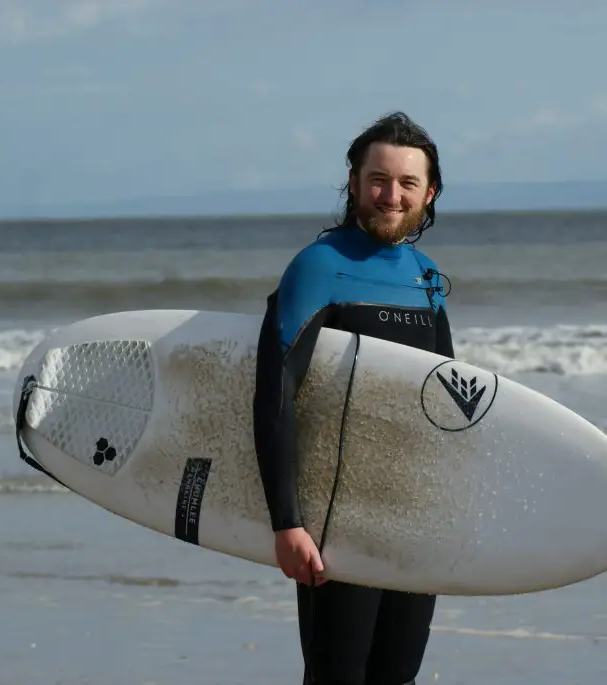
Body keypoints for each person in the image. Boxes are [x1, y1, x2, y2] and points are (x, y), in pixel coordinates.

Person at [252, 111, 455, 685]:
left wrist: (449, 513)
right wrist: (287, 522)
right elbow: (274, 395)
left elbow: (444, 404)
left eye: (407, 183)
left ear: (428, 193)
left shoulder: (427, 278)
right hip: (338, 516)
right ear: (353, 183)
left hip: (413, 515)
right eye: (378, 180)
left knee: (398, 677)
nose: (392, 195)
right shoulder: (320, 266)